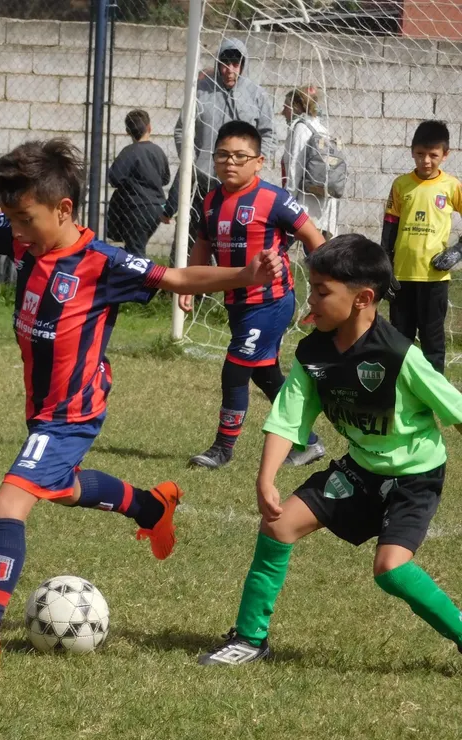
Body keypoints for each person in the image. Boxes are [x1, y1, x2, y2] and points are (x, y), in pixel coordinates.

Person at [0, 139, 285, 677]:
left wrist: (248, 277)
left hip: (71, 410)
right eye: (13, 219)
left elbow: (176, 278)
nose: (15, 230)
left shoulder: (102, 263)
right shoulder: (24, 239)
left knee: (8, 503)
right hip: (43, 407)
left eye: (25, 219)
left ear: (63, 210)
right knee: (59, 488)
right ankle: (151, 507)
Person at [200, 234, 462, 666]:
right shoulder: (313, 352)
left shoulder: (400, 355)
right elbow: (288, 418)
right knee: (278, 526)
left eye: (322, 292)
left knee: (391, 569)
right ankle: (250, 639)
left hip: (414, 478)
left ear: (362, 298)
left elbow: (454, 409)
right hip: (360, 471)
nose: (312, 300)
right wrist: (266, 478)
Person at [180, 121, 326, 470]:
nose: (230, 162)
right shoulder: (212, 200)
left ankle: (222, 449)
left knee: (234, 370)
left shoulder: (273, 198)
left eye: (240, 156)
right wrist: (188, 286)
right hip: (238, 303)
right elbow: (202, 243)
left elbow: (313, 237)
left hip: (271, 302)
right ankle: (309, 442)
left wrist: (322, 289)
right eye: (223, 155)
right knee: (266, 375)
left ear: (258, 162)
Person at [163, 39, 275, 255]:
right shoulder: (200, 92)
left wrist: (256, 164)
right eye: (225, 63)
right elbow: (181, 130)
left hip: (241, 181)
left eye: (235, 64)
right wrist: (190, 160)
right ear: (217, 64)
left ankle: (233, 281)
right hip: (203, 180)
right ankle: (184, 283)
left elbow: (268, 133)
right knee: (192, 235)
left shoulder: (256, 95)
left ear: (243, 65)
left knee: (235, 236)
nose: (229, 70)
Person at [381, 120, 462, 374]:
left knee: (432, 340)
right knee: (399, 338)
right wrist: (386, 267)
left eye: (433, 155)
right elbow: (390, 227)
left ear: (445, 154)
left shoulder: (452, 186)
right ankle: (399, 390)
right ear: (412, 151)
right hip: (401, 276)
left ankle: (432, 393)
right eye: (420, 154)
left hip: (434, 278)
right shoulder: (401, 185)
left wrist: (458, 250)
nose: (426, 161)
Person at [107, 109, 170, 256]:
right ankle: (130, 276)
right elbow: (165, 179)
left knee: (135, 252)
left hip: (137, 209)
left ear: (127, 131)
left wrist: (130, 182)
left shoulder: (129, 152)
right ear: (149, 127)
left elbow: (114, 178)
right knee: (133, 247)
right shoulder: (158, 151)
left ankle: (144, 278)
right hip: (157, 208)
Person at [281, 86, 338, 238]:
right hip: (322, 206)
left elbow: (295, 169)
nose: (282, 112)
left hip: (303, 207)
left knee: (278, 244)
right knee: (315, 254)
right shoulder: (322, 128)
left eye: (285, 107)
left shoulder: (301, 128)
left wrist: (286, 202)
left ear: (296, 107)